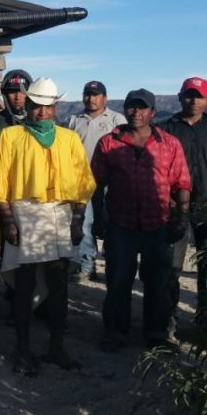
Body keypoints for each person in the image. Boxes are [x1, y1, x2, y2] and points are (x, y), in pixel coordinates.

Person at [0, 78, 95, 376]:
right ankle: (23, 349)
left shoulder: (68, 139)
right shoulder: (10, 137)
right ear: (28, 105)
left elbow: (84, 181)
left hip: (60, 213)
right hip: (25, 213)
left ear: (55, 108)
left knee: (59, 284)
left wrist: (77, 220)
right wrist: (7, 220)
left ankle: (56, 346)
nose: (42, 113)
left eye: (48, 107)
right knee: (24, 285)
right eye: (37, 106)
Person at [92, 88, 191, 351]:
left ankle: (157, 334)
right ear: (124, 110)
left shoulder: (169, 144)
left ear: (153, 113)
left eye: (142, 108)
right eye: (132, 107)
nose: (136, 112)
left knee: (158, 281)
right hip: (120, 223)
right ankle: (115, 332)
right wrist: (97, 218)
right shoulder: (108, 143)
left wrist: (181, 217)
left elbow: (181, 182)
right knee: (118, 280)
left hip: (157, 222)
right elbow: (95, 183)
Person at [158, 77, 207, 327]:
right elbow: (156, 167)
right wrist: (167, 198)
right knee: (172, 266)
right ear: (180, 97)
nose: (193, 100)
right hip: (174, 207)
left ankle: (205, 319)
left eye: (199, 96)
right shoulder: (165, 129)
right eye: (189, 95)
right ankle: (168, 318)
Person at [67, 80, 126, 281]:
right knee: (85, 223)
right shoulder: (74, 120)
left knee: (111, 222)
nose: (91, 98)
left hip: (111, 181)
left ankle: (112, 265)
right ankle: (87, 265)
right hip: (82, 180)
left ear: (105, 98)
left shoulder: (117, 119)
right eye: (87, 94)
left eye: (96, 95)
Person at [0, 69, 32, 151]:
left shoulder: (44, 122)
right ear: (5, 94)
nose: (17, 97)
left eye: (22, 92)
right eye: (12, 92)